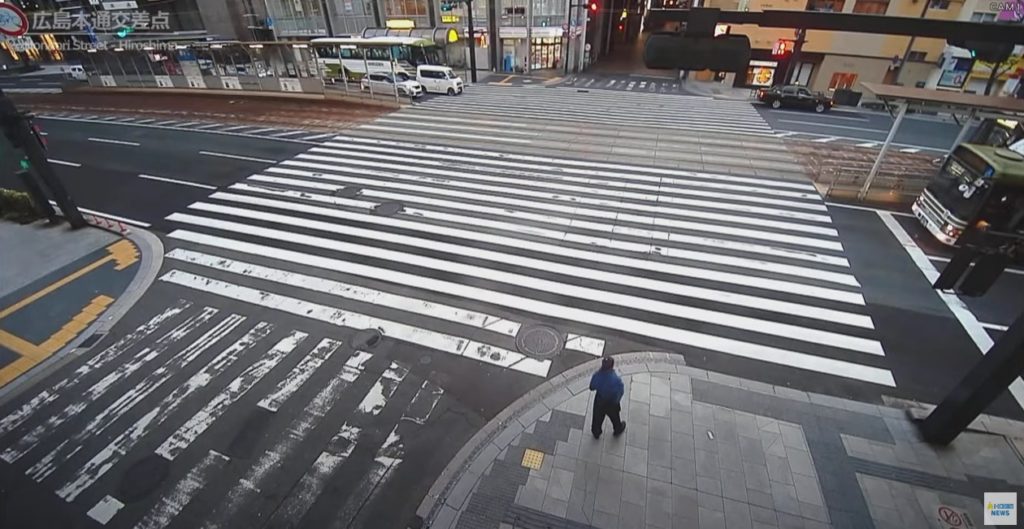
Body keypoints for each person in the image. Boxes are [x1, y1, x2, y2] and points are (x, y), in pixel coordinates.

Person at [589, 357, 625, 439]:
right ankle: (617, 428)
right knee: (615, 417)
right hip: (612, 402)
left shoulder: (597, 375)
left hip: (600, 400)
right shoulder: (616, 379)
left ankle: (596, 432)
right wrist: (616, 401)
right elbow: (620, 391)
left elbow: (591, 387)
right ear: (612, 366)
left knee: (597, 417)